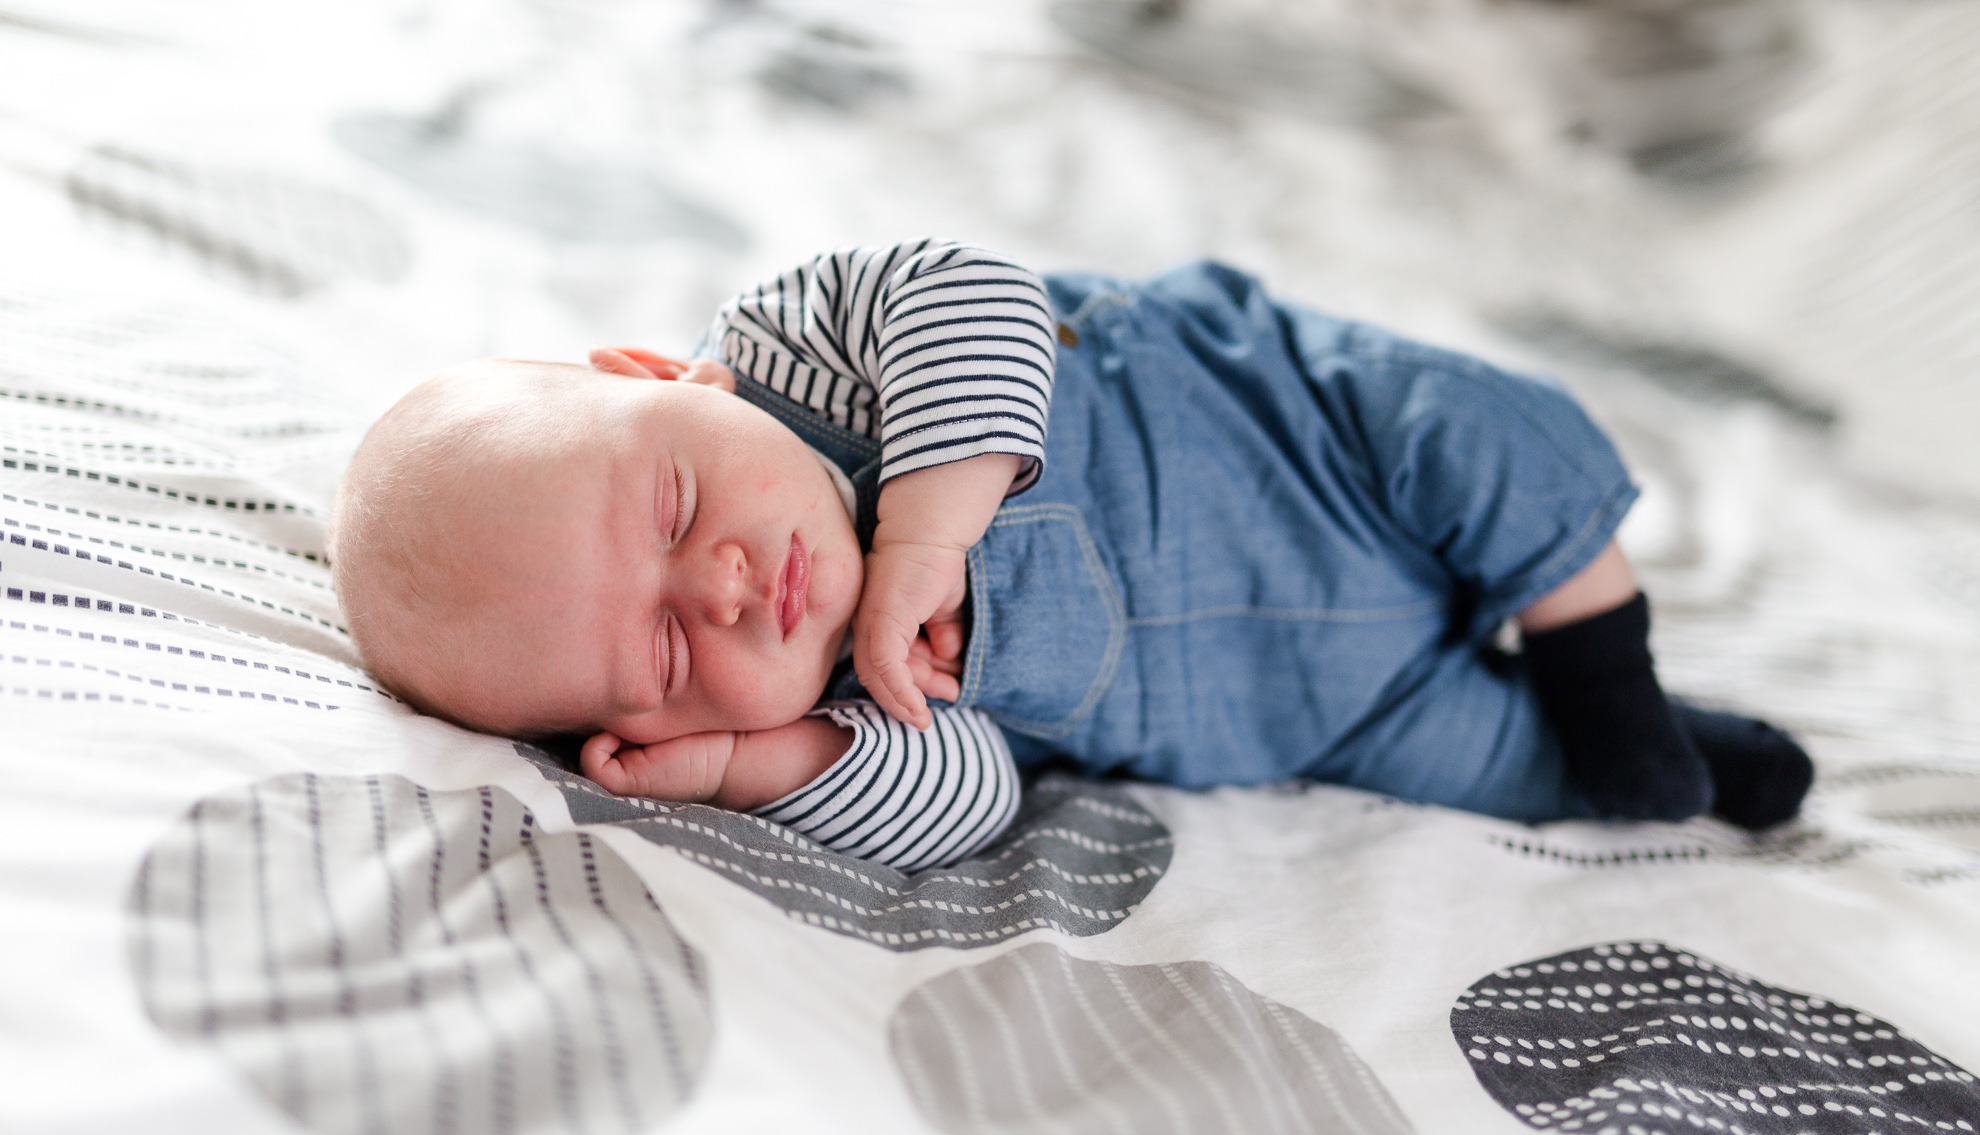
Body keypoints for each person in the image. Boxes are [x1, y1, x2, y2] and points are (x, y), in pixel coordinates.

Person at [329, 239, 1812, 869]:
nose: (717, 584)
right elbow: (966, 802)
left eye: (666, 511)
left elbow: (969, 290)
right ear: (632, 728)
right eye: (662, 649)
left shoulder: (800, 350)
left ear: (667, 374)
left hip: (1315, 444)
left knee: (1496, 436)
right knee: (1498, 770)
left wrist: (927, 523)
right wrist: (756, 770)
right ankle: (1644, 753)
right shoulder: (799, 705)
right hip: (1317, 700)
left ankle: (1595, 643)